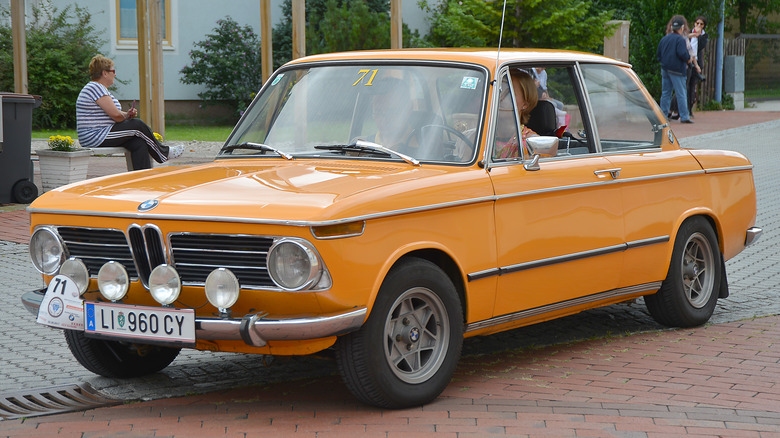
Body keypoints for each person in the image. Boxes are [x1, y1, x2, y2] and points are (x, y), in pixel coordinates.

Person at [76, 55, 183, 170]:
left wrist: (127, 115)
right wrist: (126, 116)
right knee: (137, 125)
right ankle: (164, 153)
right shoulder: (95, 87)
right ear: (105, 73)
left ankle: (142, 180)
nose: (115, 74)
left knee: (138, 143)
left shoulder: (98, 88)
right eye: (113, 71)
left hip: (101, 133)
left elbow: (116, 114)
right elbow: (116, 116)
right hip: (95, 136)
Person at [493, 70, 539, 159]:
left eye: (508, 94)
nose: (500, 98)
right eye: (499, 91)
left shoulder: (531, 143)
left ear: (525, 104)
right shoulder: (477, 135)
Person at [657, 15, 693, 124]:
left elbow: (658, 54)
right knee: (681, 92)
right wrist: (688, 59)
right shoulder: (680, 40)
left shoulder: (664, 39)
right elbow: (682, 53)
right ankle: (684, 116)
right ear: (682, 28)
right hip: (677, 70)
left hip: (665, 69)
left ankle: (663, 115)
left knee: (666, 93)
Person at [687, 16, 708, 117]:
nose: (699, 25)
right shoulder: (688, 33)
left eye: (701, 24)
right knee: (685, 86)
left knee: (693, 87)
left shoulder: (704, 36)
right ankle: (681, 109)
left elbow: (701, 46)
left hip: (697, 64)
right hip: (688, 62)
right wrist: (693, 34)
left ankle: (690, 109)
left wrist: (698, 35)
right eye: (697, 23)